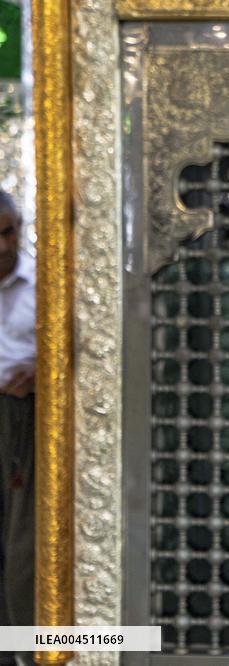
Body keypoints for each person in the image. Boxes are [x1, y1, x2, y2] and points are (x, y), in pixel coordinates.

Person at [0, 190, 35, 666]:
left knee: (22, 540)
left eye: (8, 232)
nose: (2, 245)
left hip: (22, 421)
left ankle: (19, 651)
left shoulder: (43, 285)